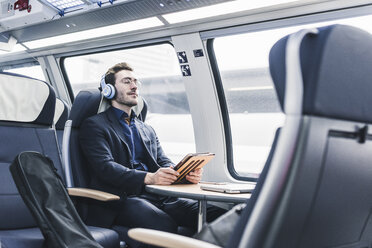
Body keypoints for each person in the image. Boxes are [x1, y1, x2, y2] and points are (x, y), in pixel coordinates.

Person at [79, 62, 225, 247]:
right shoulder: (94, 125)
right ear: (109, 90)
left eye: (135, 82)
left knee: (222, 216)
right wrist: (149, 178)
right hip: (122, 199)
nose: (134, 86)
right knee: (164, 225)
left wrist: (183, 174)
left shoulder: (146, 128)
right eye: (126, 81)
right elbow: (105, 168)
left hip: (161, 197)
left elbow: (162, 161)